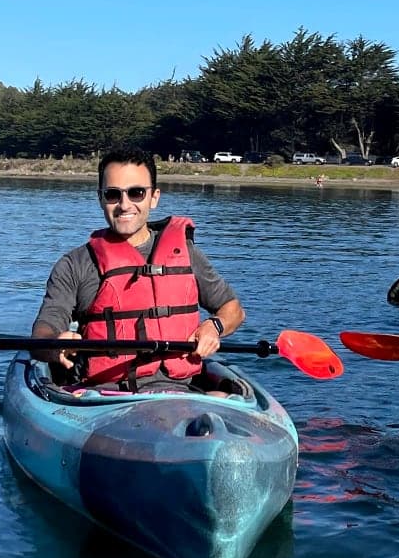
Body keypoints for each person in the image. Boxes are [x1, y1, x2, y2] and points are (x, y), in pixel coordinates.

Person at [30, 147, 244, 393]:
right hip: (104, 399)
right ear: (100, 198)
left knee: (222, 397)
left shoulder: (185, 254)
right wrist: (53, 345)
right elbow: (43, 331)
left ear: (154, 197)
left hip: (180, 393)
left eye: (136, 193)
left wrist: (214, 326)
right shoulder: (74, 265)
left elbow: (233, 310)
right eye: (113, 194)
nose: (124, 205)